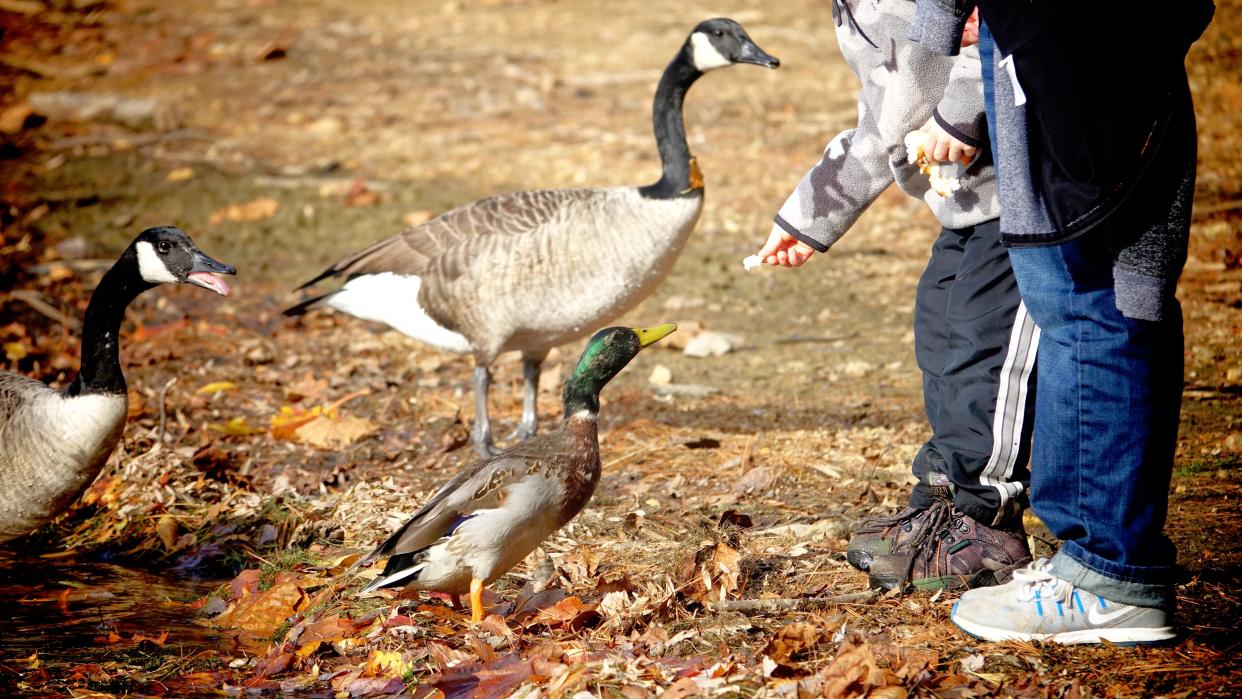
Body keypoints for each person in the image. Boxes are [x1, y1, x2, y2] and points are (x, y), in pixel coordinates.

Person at [908, 0, 1215, 644]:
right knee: (1092, 298)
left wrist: (940, 25)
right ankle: (1102, 564)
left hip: (1072, 45)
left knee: (1094, 302)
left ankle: (1107, 573)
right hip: (1055, 43)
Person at [756, 0, 1035, 592]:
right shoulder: (853, 12)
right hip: (964, 207)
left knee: (982, 353)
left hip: (1019, 200)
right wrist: (807, 218)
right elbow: (882, 124)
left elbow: (994, 36)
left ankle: (986, 520)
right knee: (938, 336)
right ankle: (941, 501)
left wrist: (960, 115)